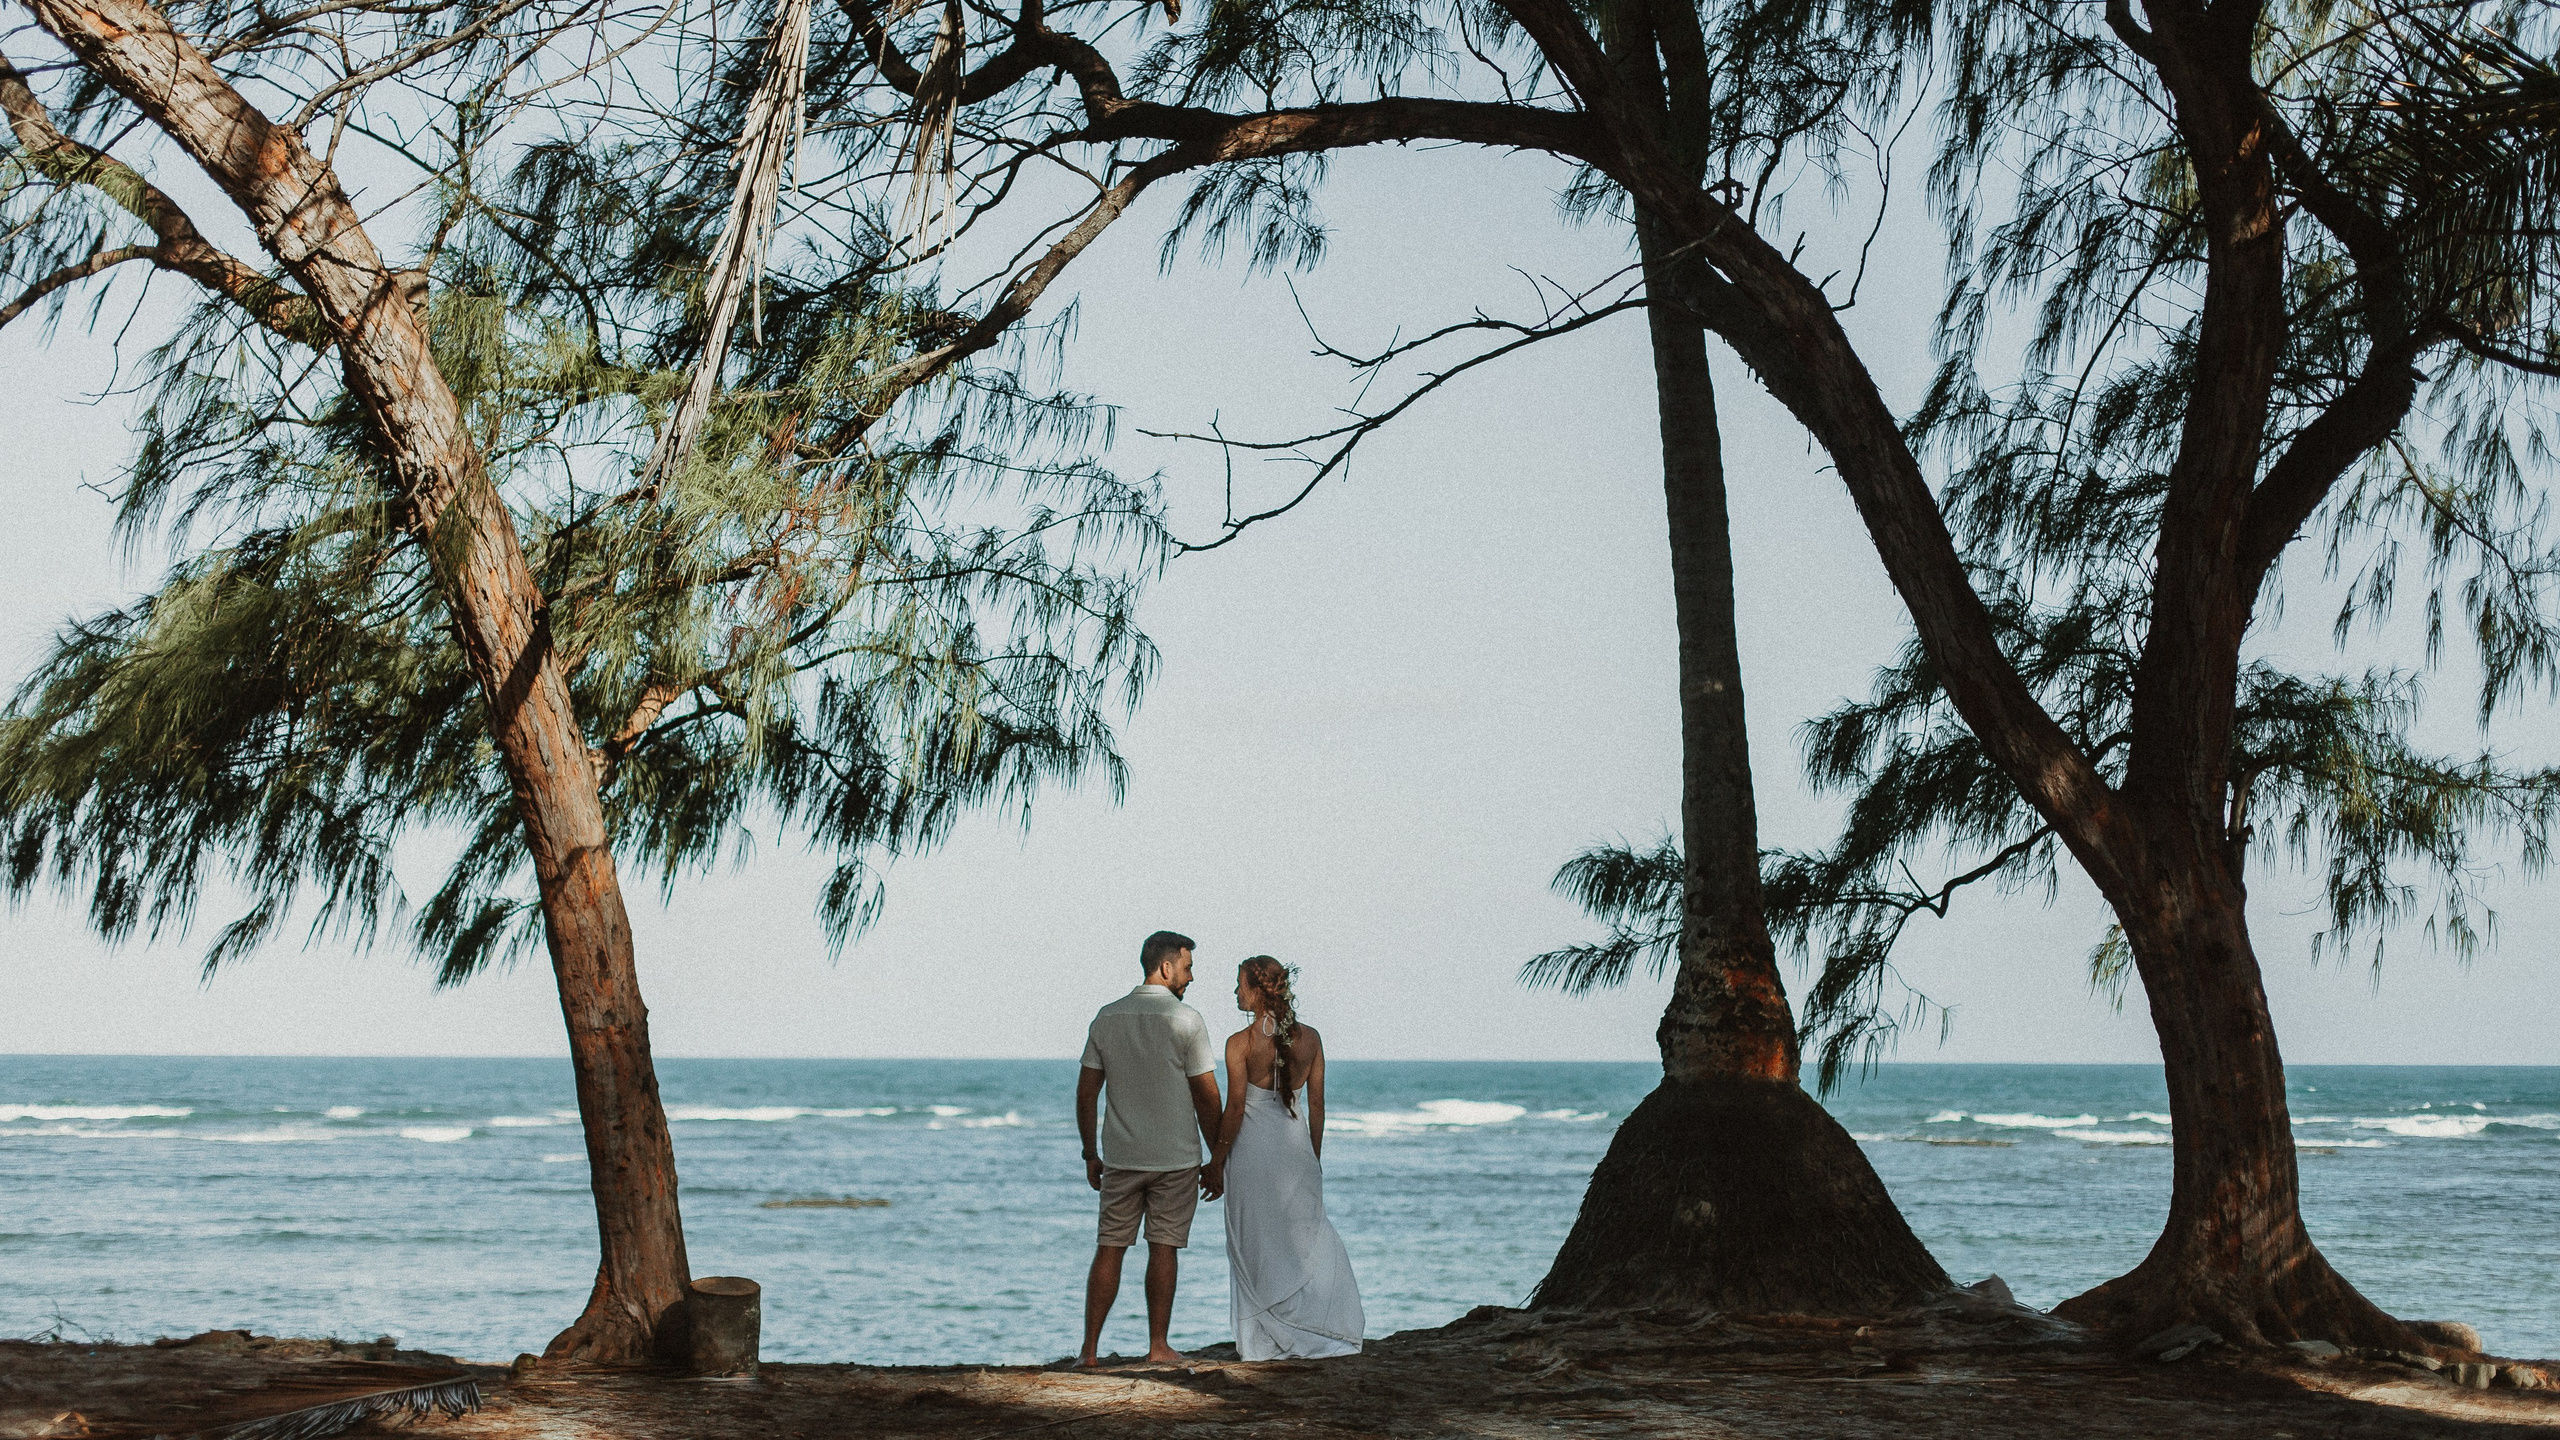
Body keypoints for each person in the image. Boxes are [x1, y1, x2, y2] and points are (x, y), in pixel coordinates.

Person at [1205, 955, 1365, 1360]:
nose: (1235, 992)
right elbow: (1318, 1107)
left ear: (1258, 991)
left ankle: (1262, 1339)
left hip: (1253, 1156)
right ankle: (1312, 1325)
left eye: (1239, 984)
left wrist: (1216, 1162)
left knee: (1255, 1242)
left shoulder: (1239, 1044)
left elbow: (1236, 1110)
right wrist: (1313, 1159)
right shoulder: (1311, 1038)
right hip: (1296, 1153)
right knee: (1300, 1238)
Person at [1076, 929, 1222, 1367]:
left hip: (1121, 1157)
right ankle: (1158, 1347)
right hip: (1176, 1159)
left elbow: (1086, 1094)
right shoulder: (1187, 1020)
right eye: (1188, 967)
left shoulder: (1106, 1017)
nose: (1191, 977)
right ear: (1166, 966)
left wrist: (1090, 1153)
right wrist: (1218, 1158)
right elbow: (1207, 1096)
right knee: (1164, 1248)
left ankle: (1088, 1353)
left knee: (1110, 1247)